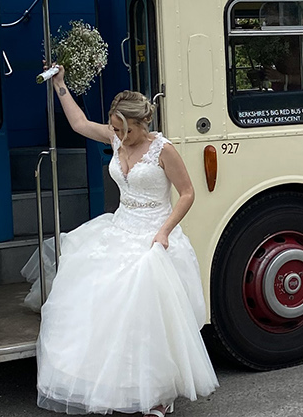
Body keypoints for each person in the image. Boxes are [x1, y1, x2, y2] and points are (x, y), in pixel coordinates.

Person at [25, 69, 218, 415]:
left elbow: (187, 194)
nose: (114, 134)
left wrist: (164, 232)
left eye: (119, 129)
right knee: (101, 307)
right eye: (113, 128)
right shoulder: (117, 140)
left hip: (154, 231)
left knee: (146, 315)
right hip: (120, 226)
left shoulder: (163, 149)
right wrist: (60, 87)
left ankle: (159, 395)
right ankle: (120, 388)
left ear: (138, 125)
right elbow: (81, 124)